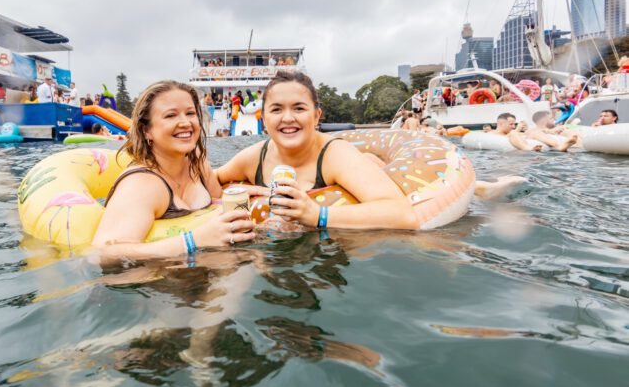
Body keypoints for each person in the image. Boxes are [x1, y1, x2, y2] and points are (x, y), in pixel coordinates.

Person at [216, 71, 521, 230]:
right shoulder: (254, 156)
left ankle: (480, 189)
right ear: (264, 118)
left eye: (299, 108)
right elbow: (210, 180)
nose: (288, 118)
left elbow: (403, 215)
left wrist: (316, 215)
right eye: (277, 110)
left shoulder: (334, 154)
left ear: (316, 116)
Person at [92, 80, 254, 258]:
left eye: (190, 113)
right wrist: (193, 241)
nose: (185, 123)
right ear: (146, 130)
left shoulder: (197, 163)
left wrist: (264, 195)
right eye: (171, 116)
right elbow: (104, 253)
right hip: (160, 281)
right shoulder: (141, 185)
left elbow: (219, 200)